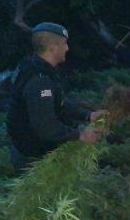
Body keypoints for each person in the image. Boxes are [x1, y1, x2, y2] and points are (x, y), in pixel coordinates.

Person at [7, 22, 103, 166]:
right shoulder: (40, 81)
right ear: (53, 47)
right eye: (64, 44)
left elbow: (58, 102)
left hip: (33, 151)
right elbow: (46, 128)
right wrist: (81, 135)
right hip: (34, 159)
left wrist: (88, 115)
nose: (67, 48)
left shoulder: (33, 67)